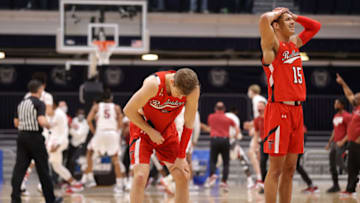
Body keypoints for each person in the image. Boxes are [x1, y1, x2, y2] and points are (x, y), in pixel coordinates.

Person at [259, 7, 321, 203]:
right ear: (276, 25)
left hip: (297, 111)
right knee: (275, 169)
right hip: (279, 110)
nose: (292, 22)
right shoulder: (272, 47)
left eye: (292, 19)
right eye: (287, 20)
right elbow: (263, 20)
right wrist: (276, 13)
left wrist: (295, 16)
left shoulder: (294, 43)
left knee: (290, 169)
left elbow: (315, 26)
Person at [124, 68, 200, 203]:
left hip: (166, 129)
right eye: (179, 93)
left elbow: (188, 124)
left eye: (184, 96)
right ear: (172, 82)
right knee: (141, 176)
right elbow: (128, 110)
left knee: (182, 175)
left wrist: (181, 156)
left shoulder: (193, 90)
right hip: (142, 127)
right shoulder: (153, 84)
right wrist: (150, 131)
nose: (181, 98)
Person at [12, 79, 62, 203]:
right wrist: (49, 125)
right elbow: (41, 120)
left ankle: (15, 199)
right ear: (39, 90)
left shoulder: (21, 103)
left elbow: (16, 123)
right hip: (35, 138)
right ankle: (50, 199)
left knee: (19, 169)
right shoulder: (39, 103)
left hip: (22, 137)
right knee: (43, 170)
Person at [81, 90, 125, 193]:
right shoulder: (116, 107)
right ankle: (119, 185)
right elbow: (121, 120)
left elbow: (88, 120)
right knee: (115, 159)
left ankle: (90, 179)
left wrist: (94, 131)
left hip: (100, 132)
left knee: (89, 153)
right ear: (111, 98)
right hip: (113, 133)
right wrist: (117, 131)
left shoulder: (97, 106)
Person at [21, 72, 54, 195]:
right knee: (42, 160)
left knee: (30, 160)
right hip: (42, 131)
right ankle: (41, 185)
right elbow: (49, 112)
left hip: (28, 130)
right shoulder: (47, 96)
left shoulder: (27, 96)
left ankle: (24, 184)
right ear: (43, 85)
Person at [45, 100, 83, 193]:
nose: (45, 108)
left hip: (57, 143)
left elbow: (64, 132)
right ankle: (75, 184)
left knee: (38, 160)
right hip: (53, 143)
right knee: (57, 166)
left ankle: (42, 185)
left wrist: (57, 144)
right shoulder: (52, 115)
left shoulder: (60, 115)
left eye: (47, 106)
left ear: (53, 105)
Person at [204, 102, 240, 191]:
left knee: (213, 160)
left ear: (215, 109)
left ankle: (212, 175)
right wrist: (236, 135)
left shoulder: (211, 117)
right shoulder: (227, 118)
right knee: (226, 162)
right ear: (224, 109)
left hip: (215, 139)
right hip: (225, 140)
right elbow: (236, 127)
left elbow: (210, 127)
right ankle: (224, 181)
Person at [335, 73, 360, 197]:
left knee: (354, 166)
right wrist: (343, 83)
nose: (354, 97)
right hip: (353, 144)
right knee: (351, 167)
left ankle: (351, 187)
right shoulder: (356, 108)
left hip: (358, 143)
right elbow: (349, 94)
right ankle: (350, 189)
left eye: (357, 96)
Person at [325, 97, 352, 193]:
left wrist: (343, 142)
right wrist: (329, 142)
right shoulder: (336, 116)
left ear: (342, 105)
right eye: (335, 103)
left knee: (340, 162)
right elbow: (334, 131)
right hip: (335, 144)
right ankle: (336, 185)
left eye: (337, 103)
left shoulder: (347, 116)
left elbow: (350, 131)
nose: (335, 105)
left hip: (342, 144)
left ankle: (353, 177)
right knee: (332, 164)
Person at [226, 107, 254, 189]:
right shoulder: (235, 118)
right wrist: (239, 136)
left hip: (222, 141)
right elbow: (237, 133)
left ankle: (216, 181)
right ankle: (250, 180)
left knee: (217, 162)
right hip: (231, 142)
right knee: (243, 160)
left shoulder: (225, 115)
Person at [246, 84, 267, 188]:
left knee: (252, 153)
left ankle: (260, 179)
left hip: (262, 131)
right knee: (258, 155)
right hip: (262, 129)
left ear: (252, 91)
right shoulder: (261, 98)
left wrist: (253, 128)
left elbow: (259, 116)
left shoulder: (256, 100)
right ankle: (261, 178)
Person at [66, 108, 90, 176]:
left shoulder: (86, 123)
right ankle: (67, 179)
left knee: (73, 161)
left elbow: (78, 135)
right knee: (68, 162)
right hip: (72, 145)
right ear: (76, 114)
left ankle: (73, 178)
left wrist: (71, 129)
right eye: (79, 113)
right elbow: (71, 132)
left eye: (82, 114)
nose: (81, 115)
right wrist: (72, 129)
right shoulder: (74, 120)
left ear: (84, 115)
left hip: (80, 146)